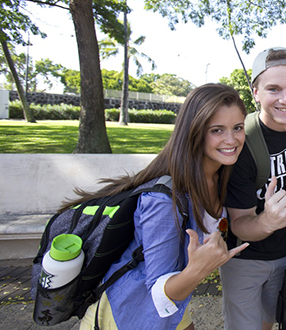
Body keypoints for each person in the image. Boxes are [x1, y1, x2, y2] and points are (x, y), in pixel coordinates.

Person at [75, 83, 250, 329]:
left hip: (173, 309)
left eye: (238, 128)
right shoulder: (164, 200)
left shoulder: (220, 178)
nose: (231, 139)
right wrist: (200, 270)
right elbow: (159, 293)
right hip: (129, 313)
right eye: (217, 130)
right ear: (195, 131)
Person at [220, 47, 286, 330]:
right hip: (245, 259)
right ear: (256, 93)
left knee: (269, 323)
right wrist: (269, 222)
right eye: (273, 89)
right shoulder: (242, 142)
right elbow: (239, 223)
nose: (285, 99)